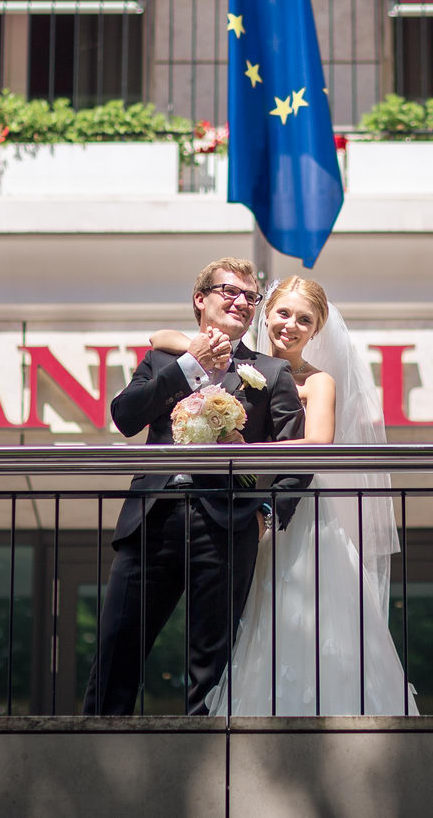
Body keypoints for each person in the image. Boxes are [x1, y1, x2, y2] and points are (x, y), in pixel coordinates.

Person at [150, 276, 418, 715]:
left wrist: (246, 449)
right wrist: (200, 344)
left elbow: (318, 444)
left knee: (308, 621)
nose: (291, 326)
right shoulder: (240, 364)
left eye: (304, 320)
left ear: (316, 331)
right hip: (241, 513)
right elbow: (160, 337)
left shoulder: (318, 381)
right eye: (283, 313)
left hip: (302, 516)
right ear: (266, 314)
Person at [81, 256, 308, 716]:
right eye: (230, 291)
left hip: (226, 524)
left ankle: (204, 755)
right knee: (117, 652)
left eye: (251, 296)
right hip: (153, 518)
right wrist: (190, 365)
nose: (242, 302)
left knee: (211, 666)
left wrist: (268, 513)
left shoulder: (270, 372)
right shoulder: (162, 360)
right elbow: (126, 416)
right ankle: (96, 745)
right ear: (200, 299)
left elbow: (298, 455)